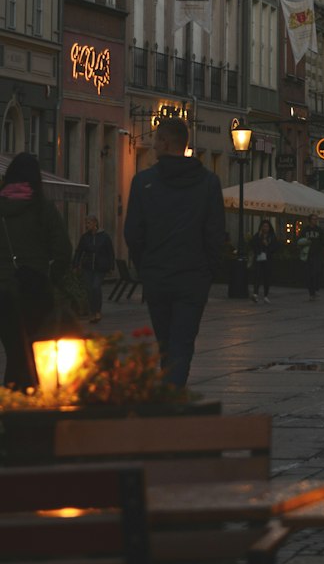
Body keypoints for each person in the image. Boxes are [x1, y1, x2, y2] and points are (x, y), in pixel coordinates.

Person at [123, 117, 225, 388]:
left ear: (166, 142)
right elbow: (215, 234)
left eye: (156, 139)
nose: (153, 145)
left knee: (165, 343)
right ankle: (173, 395)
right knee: (182, 342)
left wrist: (145, 267)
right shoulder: (208, 183)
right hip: (193, 278)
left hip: (158, 276)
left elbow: (133, 232)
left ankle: (169, 395)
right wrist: (208, 271)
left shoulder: (143, 182)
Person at [0, 152, 72, 390]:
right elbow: (63, 249)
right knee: (34, 350)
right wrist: (51, 276)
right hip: (35, 289)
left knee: (13, 351)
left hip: (3, 292)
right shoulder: (42, 208)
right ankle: (30, 403)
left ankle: (11, 404)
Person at [73, 214, 115, 322]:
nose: (87, 225)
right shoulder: (85, 237)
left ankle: (97, 311)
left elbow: (110, 252)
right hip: (87, 267)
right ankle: (92, 311)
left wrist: (111, 266)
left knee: (96, 287)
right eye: (86, 223)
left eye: (89, 223)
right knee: (89, 289)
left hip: (100, 267)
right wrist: (76, 264)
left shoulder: (104, 237)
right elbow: (79, 251)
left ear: (95, 223)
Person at [250, 219, 279, 303]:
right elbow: (252, 244)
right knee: (257, 276)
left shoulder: (272, 236)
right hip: (259, 258)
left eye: (266, 226)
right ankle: (255, 294)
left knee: (266, 277)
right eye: (264, 226)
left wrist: (268, 246)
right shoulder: (258, 235)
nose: (265, 228)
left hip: (268, 259)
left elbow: (275, 247)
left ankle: (266, 295)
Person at [299, 219, 324, 300]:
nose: (315, 221)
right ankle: (311, 291)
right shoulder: (305, 230)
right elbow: (300, 240)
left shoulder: (319, 230)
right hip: (308, 254)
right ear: (309, 220)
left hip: (317, 254)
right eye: (313, 219)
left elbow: (323, 240)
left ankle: (316, 288)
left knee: (317, 271)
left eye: (315, 219)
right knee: (309, 273)